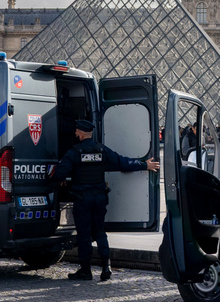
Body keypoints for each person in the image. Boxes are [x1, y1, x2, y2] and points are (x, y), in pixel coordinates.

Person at [51, 119, 159, 281]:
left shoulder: (74, 151)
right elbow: (123, 162)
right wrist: (144, 165)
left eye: (76, 132)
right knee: (100, 232)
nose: (75, 134)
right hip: (100, 198)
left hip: (82, 199)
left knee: (84, 235)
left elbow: (59, 173)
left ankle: (86, 271)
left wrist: (62, 180)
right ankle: (106, 268)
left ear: (80, 133)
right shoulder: (102, 150)